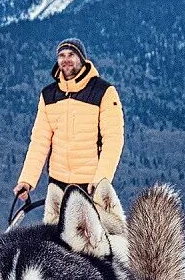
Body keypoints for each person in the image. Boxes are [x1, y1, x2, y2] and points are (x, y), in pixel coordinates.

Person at [13, 38, 124, 200]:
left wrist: (102, 180)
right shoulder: (48, 95)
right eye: (61, 55)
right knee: (54, 226)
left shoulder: (104, 92)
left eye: (71, 54)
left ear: (82, 59)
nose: (66, 60)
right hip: (57, 184)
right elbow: (39, 141)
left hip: (90, 185)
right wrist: (26, 180)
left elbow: (113, 140)